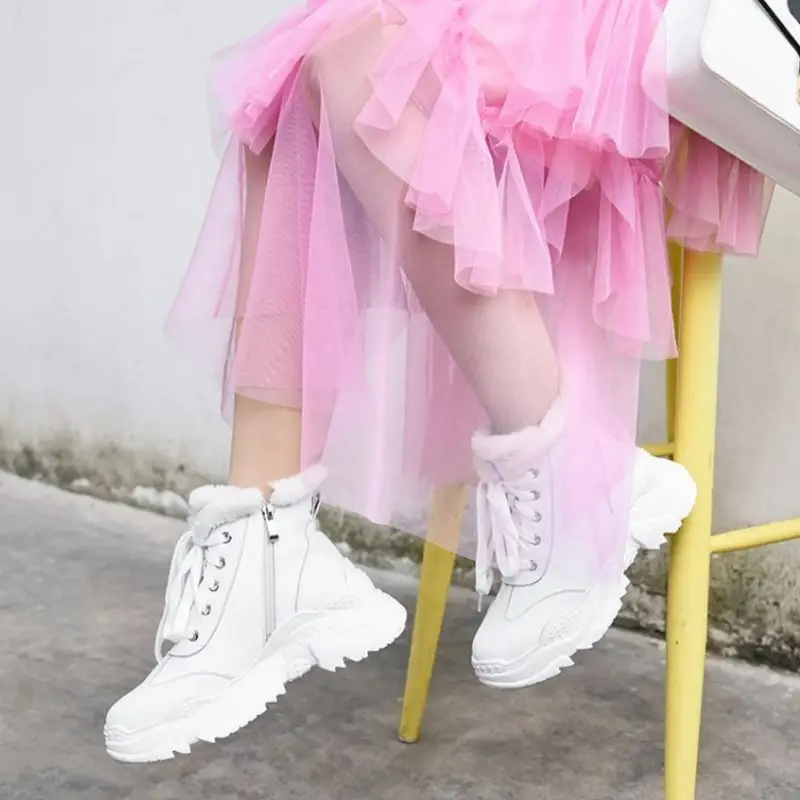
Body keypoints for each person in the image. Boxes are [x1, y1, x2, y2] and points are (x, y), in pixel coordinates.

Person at [102, 0, 772, 763]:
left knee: (351, 60)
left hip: (698, 27)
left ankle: (563, 462)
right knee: (293, 83)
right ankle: (265, 536)